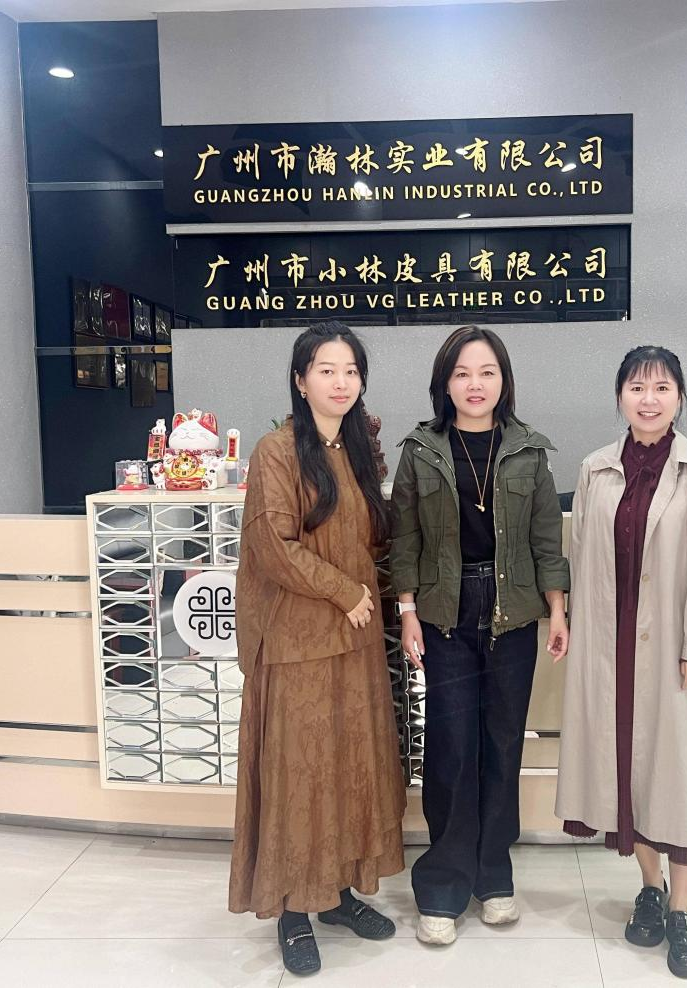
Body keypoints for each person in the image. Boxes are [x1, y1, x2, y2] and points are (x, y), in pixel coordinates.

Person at [555, 345, 687, 980]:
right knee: (630, 775)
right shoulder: (596, 470)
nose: (649, 399)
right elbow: (581, 555)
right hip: (612, 649)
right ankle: (650, 887)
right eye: (637, 387)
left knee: (681, 776)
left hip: (676, 650)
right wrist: (574, 625)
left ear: (679, 397)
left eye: (662, 387)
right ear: (620, 397)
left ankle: (683, 912)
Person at [228, 321, 406, 978]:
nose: (340, 382)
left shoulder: (357, 450)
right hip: (297, 641)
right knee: (298, 775)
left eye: (350, 370)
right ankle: (293, 912)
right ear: (301, 381)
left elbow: (371, 540)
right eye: (326, 370)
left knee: (349, 768)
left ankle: (335, 895)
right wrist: (342, 589)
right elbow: (272, 545)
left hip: (354, 642)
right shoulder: (276, 451)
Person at [390, 325, 570, 946]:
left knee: (502, 744)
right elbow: (405, 538)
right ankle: (443, 884)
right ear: (445, 383)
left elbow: (546, 537)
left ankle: (493, 875)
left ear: (503, 381)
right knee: (451, 746)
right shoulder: (421, 450)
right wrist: (407, 610)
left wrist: (557, 610)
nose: (475, 384)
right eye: (463, 373)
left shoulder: (528, 450)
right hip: (445, 612)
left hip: (512, 611)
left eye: (487, 372)